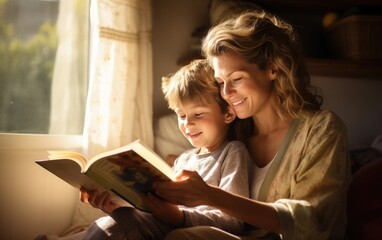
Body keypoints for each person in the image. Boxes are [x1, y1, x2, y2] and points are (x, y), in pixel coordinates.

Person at [154, 10, 352, 240]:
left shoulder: (321, 130)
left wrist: (211, 196)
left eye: (236, 79)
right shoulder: (234, 131)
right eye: (220, 82)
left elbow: (313, 221)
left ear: (272, 68)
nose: (227, 93)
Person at [72, 59, 254, 239]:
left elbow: (233, 221)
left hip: (180, 228)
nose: (188, 123)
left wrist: (180, 217)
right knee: (106, 223)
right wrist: (112, 206)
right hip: (152, 224)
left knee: (118, 224)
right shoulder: (184, 158)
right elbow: (153, 211)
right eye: (181, 115)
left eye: (198, 114)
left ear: (228, 113)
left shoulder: (233, 152)